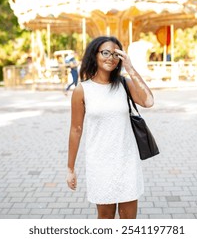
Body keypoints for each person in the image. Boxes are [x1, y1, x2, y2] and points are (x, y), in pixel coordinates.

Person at [66, 36, 154, 219]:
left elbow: (149, 101)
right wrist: (70, 169)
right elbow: (76, 130)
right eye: (105, 52)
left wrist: (130, 68)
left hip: (126, 161)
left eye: (116, 54)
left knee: (129, 221)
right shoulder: (82, 90)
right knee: (105, 219)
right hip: (99, 163)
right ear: (95, 55)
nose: (110, 58)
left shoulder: (124, 84)